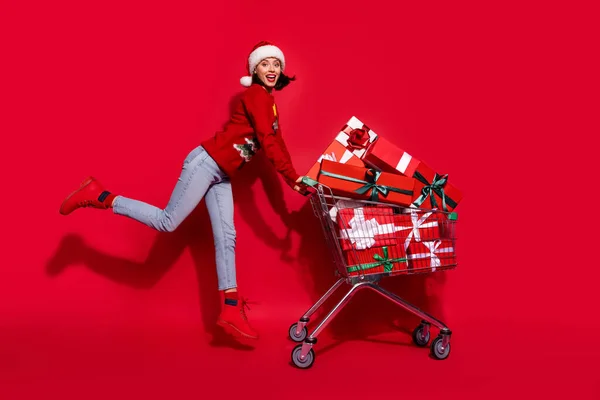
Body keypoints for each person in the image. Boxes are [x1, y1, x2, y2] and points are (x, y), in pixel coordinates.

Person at [58, 41, 309, 340]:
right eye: (265, 64)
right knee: (168, 221)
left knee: (226, 237)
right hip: (206, 164)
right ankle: (100, 196)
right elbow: (267, 140)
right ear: (254, 69)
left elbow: (276, 143)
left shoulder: (268, 102)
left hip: (222, 173)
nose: (272, 69)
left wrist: (297, 179)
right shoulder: (255, 95)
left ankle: (229, 308)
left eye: (276, 64)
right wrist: (292, 178)